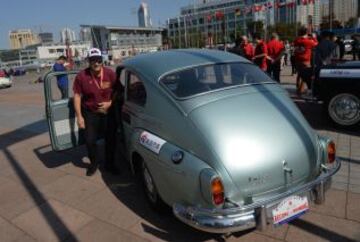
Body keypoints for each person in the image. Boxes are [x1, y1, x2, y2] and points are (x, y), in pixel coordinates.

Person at [73, 48, 119, 176]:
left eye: (98, 60)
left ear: (102, 60)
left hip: (108, 112)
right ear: (89, 61)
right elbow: (77, 96)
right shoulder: (82, 76)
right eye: (93, 60)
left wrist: (110, 103)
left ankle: (110, 164)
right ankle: (94, 163)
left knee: (111, 139)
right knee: (89, 140)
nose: (96, 63)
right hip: (90, 113)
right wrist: (79, 116)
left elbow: (118, 90)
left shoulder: (110, 74)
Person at [293, 27, 318, 95]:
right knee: (305, 76)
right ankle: (301, 90)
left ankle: (298, 87)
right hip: (306, 61)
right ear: (306, 33)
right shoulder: (308, 41)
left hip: (297, 60)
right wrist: (313, 37)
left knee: (299, 74)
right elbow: (316, 44)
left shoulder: (296, 40)